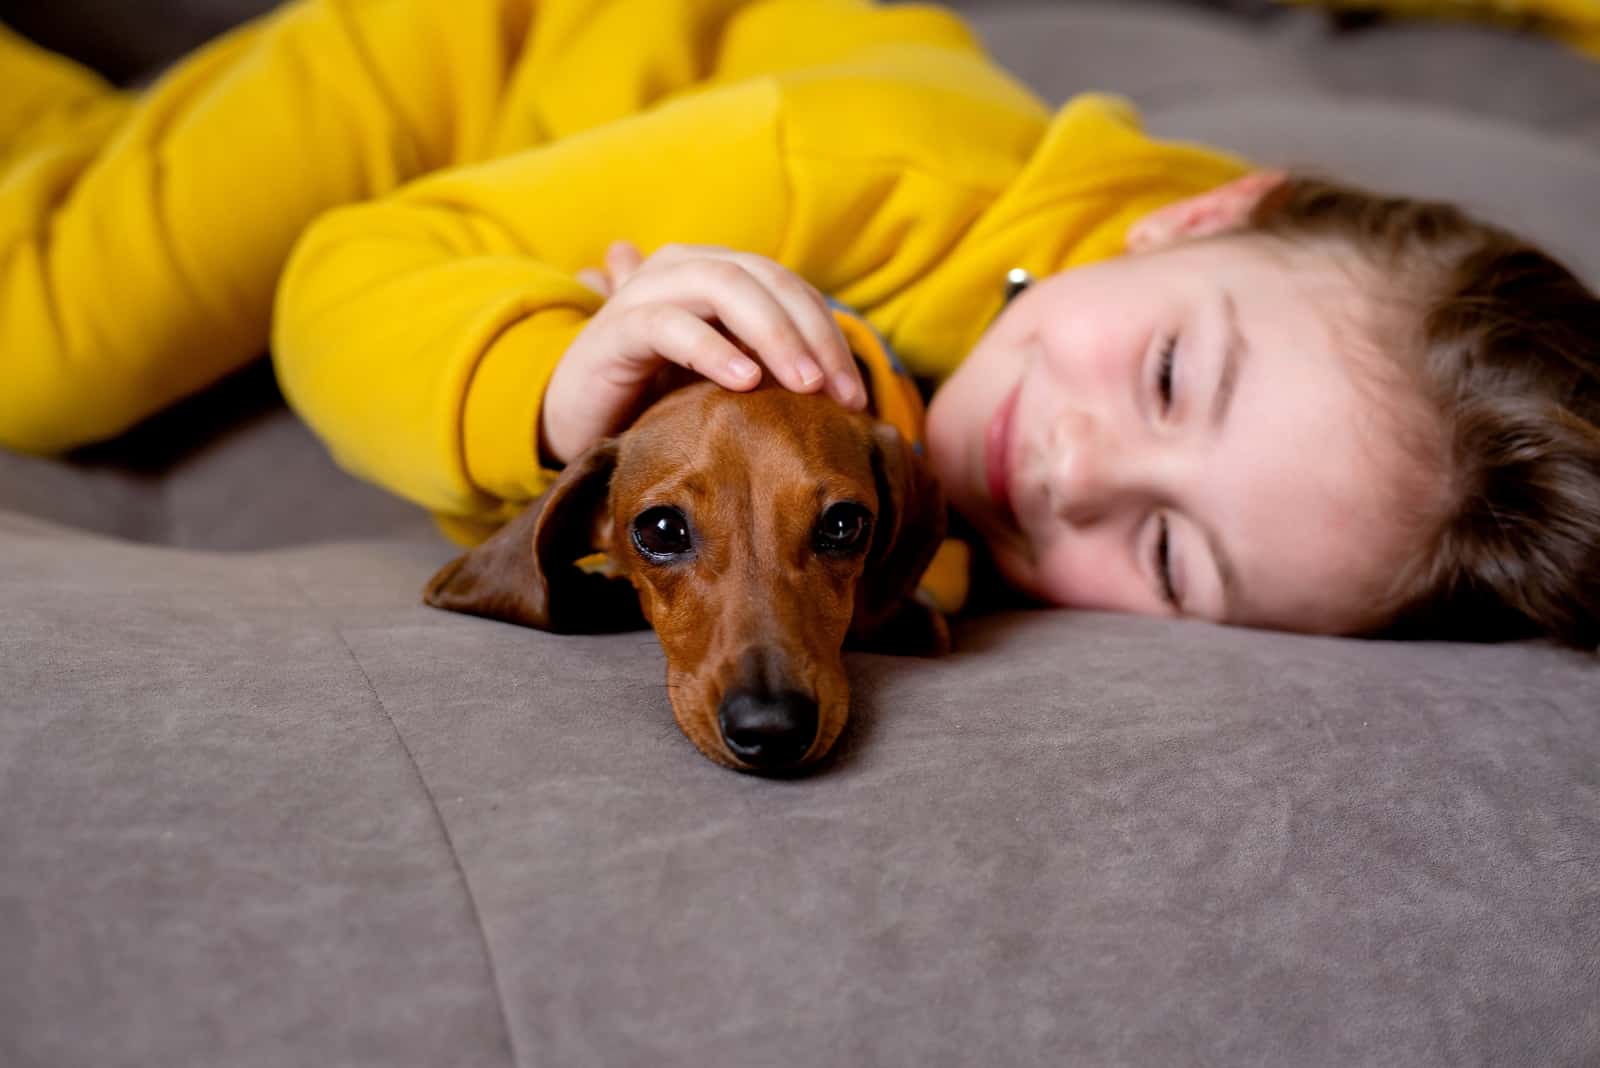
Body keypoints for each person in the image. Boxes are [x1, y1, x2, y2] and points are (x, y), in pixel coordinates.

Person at [2, 0, 1595, 647]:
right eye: (1173, 373)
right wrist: (549, 382)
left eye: (1171, 556)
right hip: (466, 69)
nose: (1075, 469)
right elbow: (355, 268)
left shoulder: (1002, 482)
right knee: (47, 333)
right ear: (1201, 217)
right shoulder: (851, 169)